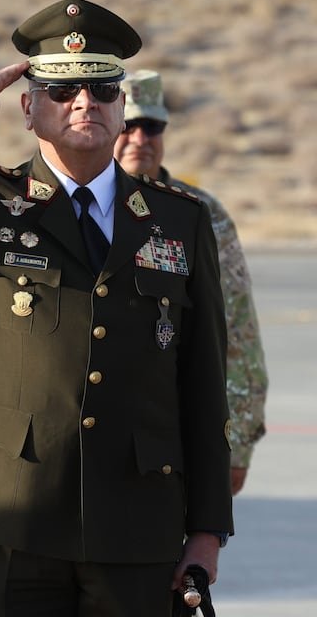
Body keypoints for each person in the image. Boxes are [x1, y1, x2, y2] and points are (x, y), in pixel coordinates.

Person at [0, 0, 233, 616]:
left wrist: (208, 526)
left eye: (101, 89)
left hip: (138, 514)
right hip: (15, 507)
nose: (84, 102)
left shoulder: (177, 220)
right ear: (28, 108)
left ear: (122, 108)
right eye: (61, 91)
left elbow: (202, 382)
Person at [116, 69, 268, 495]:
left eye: (153, 126)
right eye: (128, 125)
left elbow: (238, 331)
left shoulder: (200, 214)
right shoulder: (72, 206)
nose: (141, 138)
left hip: (172, 436)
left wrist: (236, 443)